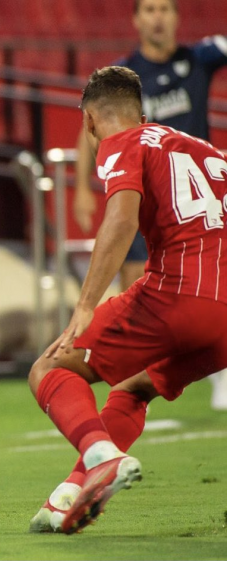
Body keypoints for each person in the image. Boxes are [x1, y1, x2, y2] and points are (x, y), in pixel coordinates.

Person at [29, 66, 227, 534]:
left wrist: (85, 305)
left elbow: (121, 219)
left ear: (89, 121)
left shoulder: (122, 143)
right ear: (142, 112)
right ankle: (70, 492)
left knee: (51, 368)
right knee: (134, 388)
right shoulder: (206, 150)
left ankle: (102, 458)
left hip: (179, 295)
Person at [73, 0, 227, 410]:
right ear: (136, 20)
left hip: (191, 199)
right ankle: (135, 380)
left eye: (164, 9)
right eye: (149, 10)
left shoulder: (199, 58)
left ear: (177, 17)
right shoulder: (124, 76)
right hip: (144, 193)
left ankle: (215, 373)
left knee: (208, 279)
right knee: (136, 279)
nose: (158, 17)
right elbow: (89, 126)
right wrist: (82, 188)